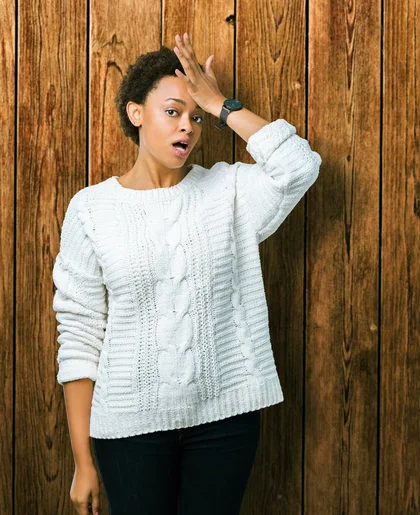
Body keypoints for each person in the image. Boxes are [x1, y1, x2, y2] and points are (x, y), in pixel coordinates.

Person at [52, 32, 321, 515]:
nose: (188, 127)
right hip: (129, 427)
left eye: (196, 117)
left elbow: (298, 166)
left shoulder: (229, 191)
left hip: (225, 421)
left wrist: (221, 104)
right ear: (136, 113)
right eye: (172, 111)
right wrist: (82, 462)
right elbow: (78, 336)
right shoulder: (92, 210)